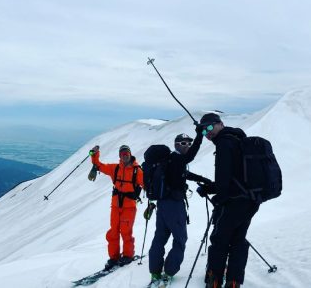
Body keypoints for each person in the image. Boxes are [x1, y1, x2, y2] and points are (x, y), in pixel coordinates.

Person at [196, 113, 260, 288]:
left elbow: (224, 179)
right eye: (203, 131)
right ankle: (233, 283)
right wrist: (210, 188)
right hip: (250, 201)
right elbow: (234, 176)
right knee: (238, 241)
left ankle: (214, 281)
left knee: (219, 241)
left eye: (210, 127)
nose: (207, 133)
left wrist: (218, 198)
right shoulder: (238, 139)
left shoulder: (224, 143)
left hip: (233, 202)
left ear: (221, 124)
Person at [148, 128, 211, 286]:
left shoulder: (170, 160)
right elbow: (191, 156)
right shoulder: (178, 159)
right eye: (183, 143)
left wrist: (202, 179)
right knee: (180, 239)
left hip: (162, 205)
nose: (187, 145)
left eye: (189, 143)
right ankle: (169, 271)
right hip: (174, 206)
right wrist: (199, 136)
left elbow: (184, 174)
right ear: (176, 144)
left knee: (160, 238)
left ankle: (155, 272)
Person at [90, 144, 144, 270]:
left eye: (126, 153)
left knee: (126, 231)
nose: (125, 155)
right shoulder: (114, 168)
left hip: (129, 207)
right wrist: (94, 154)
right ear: (120, 156)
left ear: (130, 154)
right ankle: (114, 257)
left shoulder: (137, 171)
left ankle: (128, 255)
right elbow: (99, 165)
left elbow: (146, 184)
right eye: (122, 154)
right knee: (113, 231)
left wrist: (154, 199)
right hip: (115, 206)